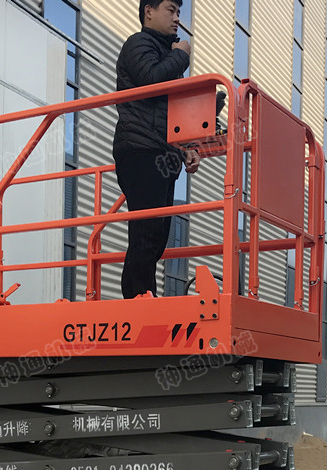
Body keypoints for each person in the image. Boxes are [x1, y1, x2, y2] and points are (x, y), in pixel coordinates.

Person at [113, 0, 200, 299]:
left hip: (161, 154)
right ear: (148, 11)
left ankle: (142, 298)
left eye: (179, 12)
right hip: (140, 150)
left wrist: (186, 148)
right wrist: (181, 56)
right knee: (146, 234)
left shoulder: (166, 53)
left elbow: (171, 112)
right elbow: (150, 79)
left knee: (157, 236)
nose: (177, 18)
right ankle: (140, 300)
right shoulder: (139, 43)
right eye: (171, 10)